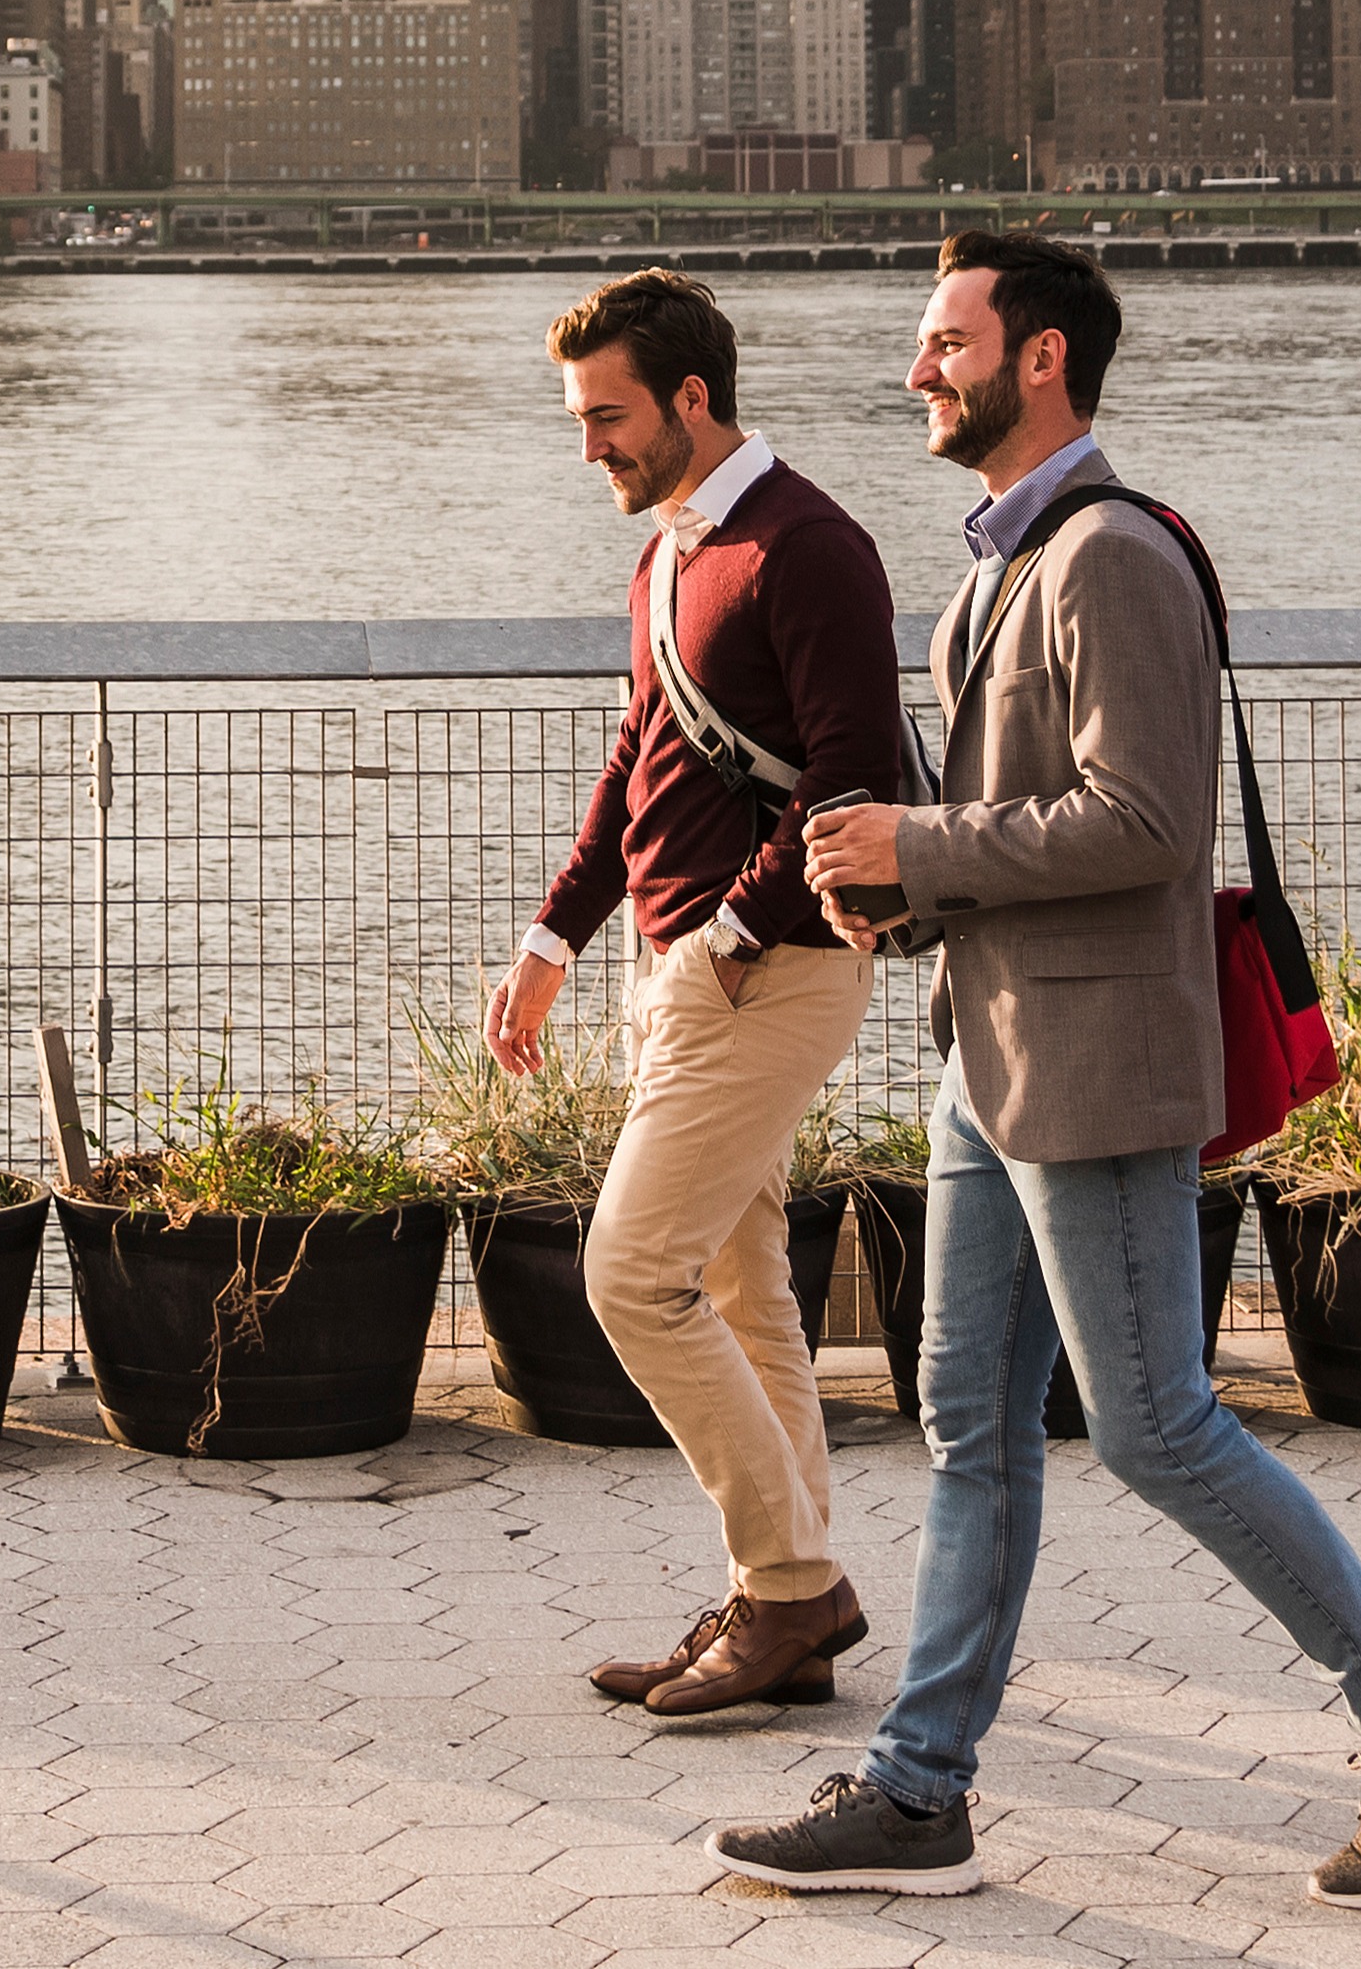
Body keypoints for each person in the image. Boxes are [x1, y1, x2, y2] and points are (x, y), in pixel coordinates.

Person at [707, 226, 1361, 1911]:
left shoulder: (1110, 559)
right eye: (920, 342)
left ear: (1039, 363)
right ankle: (919, 1793)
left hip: (1090, 1062)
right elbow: (1023, 835)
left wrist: (918, 842)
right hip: (992, 1057)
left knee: (1156, 1427)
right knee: (967, 1428)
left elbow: (1143, 823)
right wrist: (901, 899)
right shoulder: (994, 565)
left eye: (944, 342)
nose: (915, 368)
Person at [506, 270, 908, 1722]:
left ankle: (791, 1591)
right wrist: (555, 941)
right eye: (578, 419)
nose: (588, 448)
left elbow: (861, 783)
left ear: (690, 399)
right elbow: (641, 757)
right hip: (677, 968)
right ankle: (784, 1598)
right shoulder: (674, 549)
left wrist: (728, 935)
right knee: (743, 1295)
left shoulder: (809, 547)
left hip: (768, 971)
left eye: (606, 416)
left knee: (629, 1272)